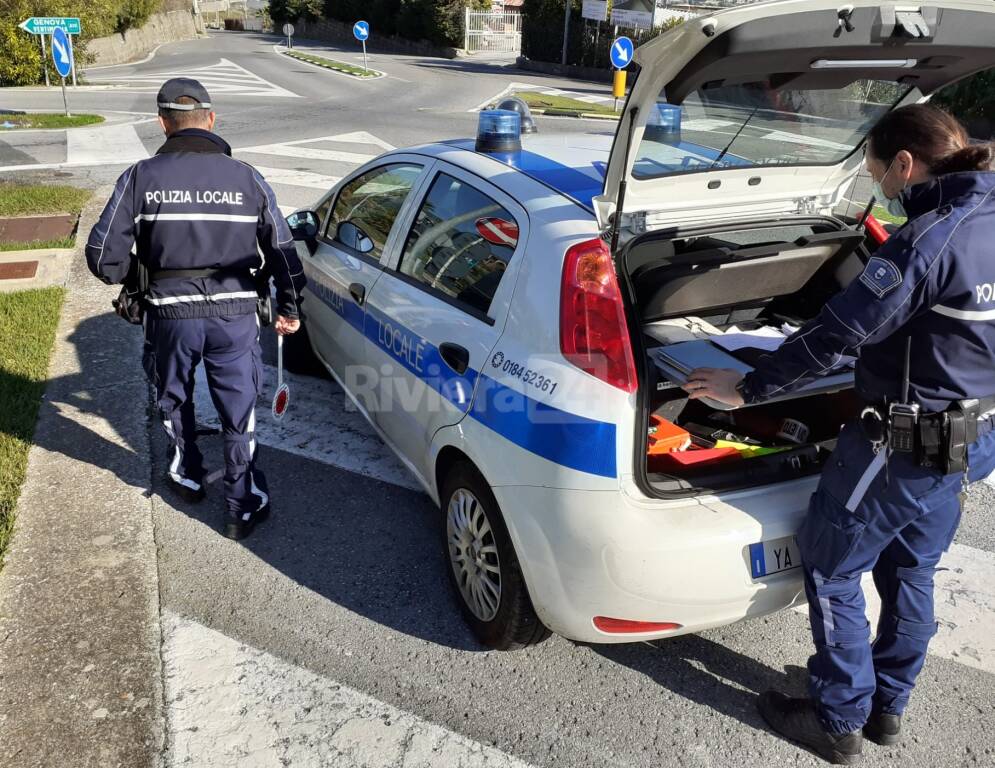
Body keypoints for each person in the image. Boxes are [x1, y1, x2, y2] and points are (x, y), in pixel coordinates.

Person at [682, 103, 995, 765]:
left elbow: (835, 335)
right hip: (969, 439)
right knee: (911, 570)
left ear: (904, 165)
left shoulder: (927, 240)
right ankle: (887, 705)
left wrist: (745, 388)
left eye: (875, 170)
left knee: (832, 566)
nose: (875, 184)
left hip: (901, 446)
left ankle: (834, 715)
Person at [86, 78, 306, 541]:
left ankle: (186, 473)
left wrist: (137, 280)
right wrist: (289, 307)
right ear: (211, 119)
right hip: (236, 314)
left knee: (175, 395)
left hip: (168, 315)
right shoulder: (247, 177)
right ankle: (241, 504)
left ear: (163, 123)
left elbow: (102, 257)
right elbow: (284, 253)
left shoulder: (140, 177)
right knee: (239, 409)